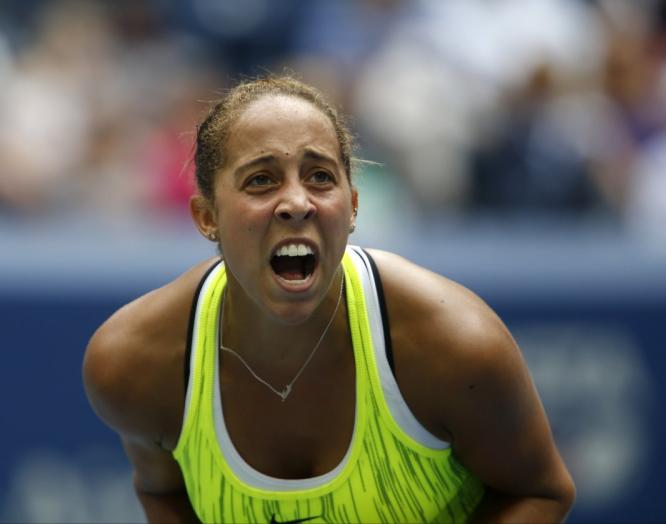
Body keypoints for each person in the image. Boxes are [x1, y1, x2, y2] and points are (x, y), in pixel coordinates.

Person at [83, 75, 575, 523]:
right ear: (206, 216)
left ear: (353, 205)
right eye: (261, 179)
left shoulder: (453, 343)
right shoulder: (133, 363)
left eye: (320, 176)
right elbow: (163, 493)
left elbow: (539, 492)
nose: (297, 203)